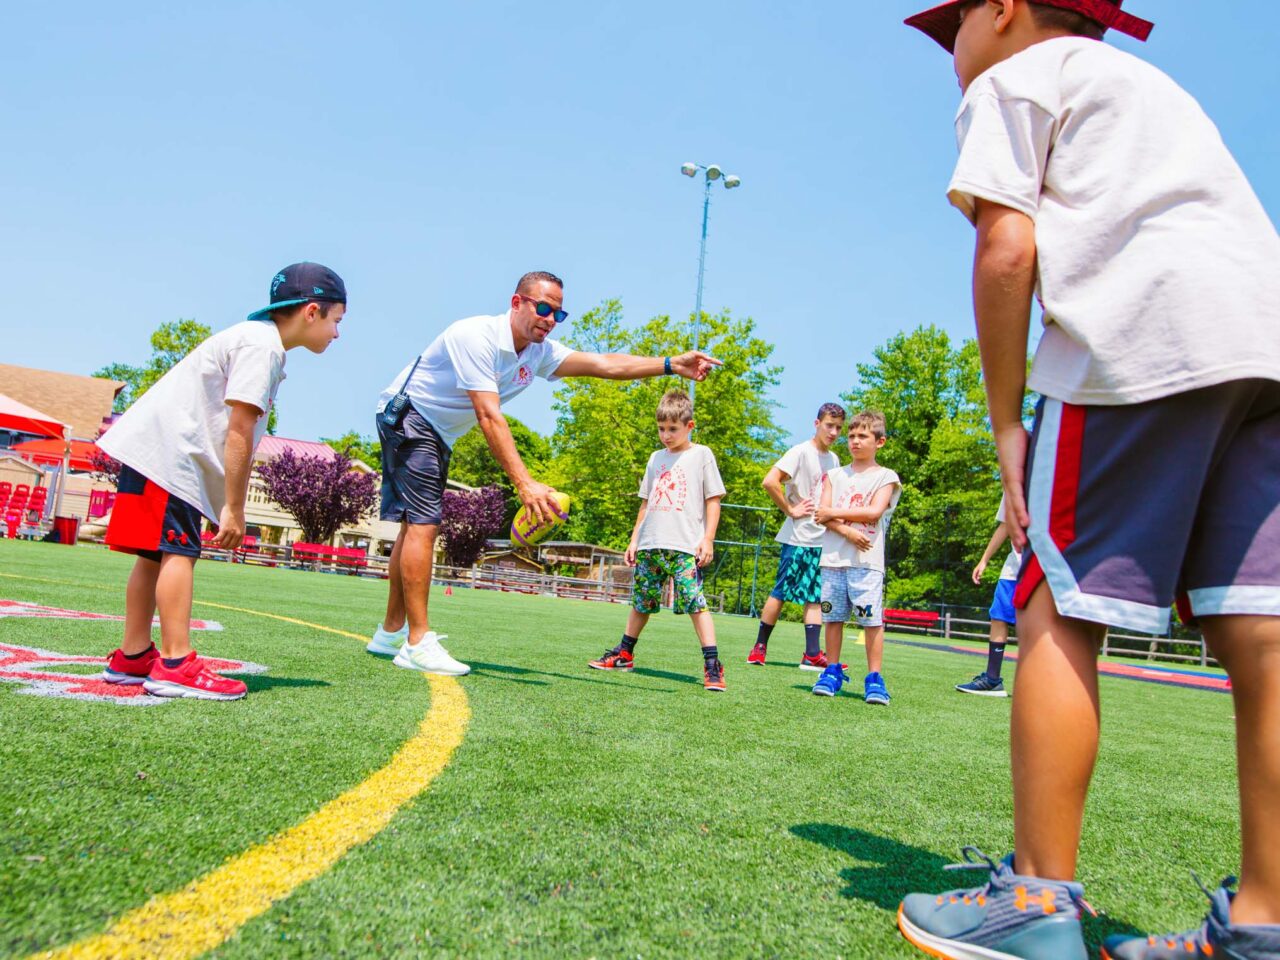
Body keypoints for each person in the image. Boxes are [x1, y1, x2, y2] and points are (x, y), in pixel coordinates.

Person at [898, 1, 1280, 957]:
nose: (951, 57)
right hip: (1263, 347)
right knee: (1265, 639)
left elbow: (1008, 247)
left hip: (1137, 340)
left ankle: (1035, 906)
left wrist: (1005, 422)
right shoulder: (1159, 90)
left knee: (1057, 607)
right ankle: (1265, 929)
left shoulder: (1016, 78)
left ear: (1005, 9)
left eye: (955, 31)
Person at [369, 271, 720, 676]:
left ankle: (391, 632)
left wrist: (670, 365)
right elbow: (488, 416)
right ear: (516, 302)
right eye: (543, 307)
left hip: (438, 431)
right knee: (423, 526)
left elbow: (603, 364)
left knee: (414, 526)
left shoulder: (536, 352)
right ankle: (417, 642)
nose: (550, 318)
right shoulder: (475, 336)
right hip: (412, 417)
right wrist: (525, 483)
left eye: (558, 312)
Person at [98, 263, 347, 700]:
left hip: (156, 452)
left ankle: (133, 656)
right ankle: (175, 663)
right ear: (312, 311)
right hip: (170, 457)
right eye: (336, 320)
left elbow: (241, 434)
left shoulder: (257, 342)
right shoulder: (262, 347)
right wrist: (233, 506)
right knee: (178, 552)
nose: (337, 333)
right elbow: (239, 430)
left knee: (154, 556)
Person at [587, 390, 727, 690]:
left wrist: (708, 539)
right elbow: (646, 502)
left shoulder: (701, 455)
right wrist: (634, 539)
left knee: (695, 604)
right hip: (651, 544)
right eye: (661, 429)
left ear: (689, 426)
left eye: (673, 429)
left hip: (685, 547)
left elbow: (713, 500)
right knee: (641, 603)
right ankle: (624, 653)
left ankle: (712, 665)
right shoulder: (655, 458)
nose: (666, 435)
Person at [809, 411, 901, 703]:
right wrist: (847, 532)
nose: (855, 441)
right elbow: (820, 514)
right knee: (832, 617)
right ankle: (832, 671)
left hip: (866, 563)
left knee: (870, 620)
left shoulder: (886, 477)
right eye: (851, 436)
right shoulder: (834, 476)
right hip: (834, 560)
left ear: (880, 441)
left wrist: (833, 514)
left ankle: (874, 678)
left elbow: (874, 512)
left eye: (863, 436)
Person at [747, 402, 845, 670]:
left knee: (815, 595)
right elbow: (770, 480)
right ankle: (759, 648)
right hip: (798, 538)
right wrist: (790, 509)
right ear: (817, 424)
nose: (834, 432)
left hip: (821, 539)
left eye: (838, 427)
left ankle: (812, 654)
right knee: (781, 591)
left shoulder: (834, 459)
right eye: (829, 425)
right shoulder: (800, 452)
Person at [955, 495, 1021, 697]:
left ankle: (1043, 683)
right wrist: (984, 560)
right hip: (1014, 568)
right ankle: (992, 679)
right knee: (999, 616)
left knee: (1038, 625)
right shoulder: (1014, 483)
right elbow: (1006, 525)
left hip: (1047, 569)